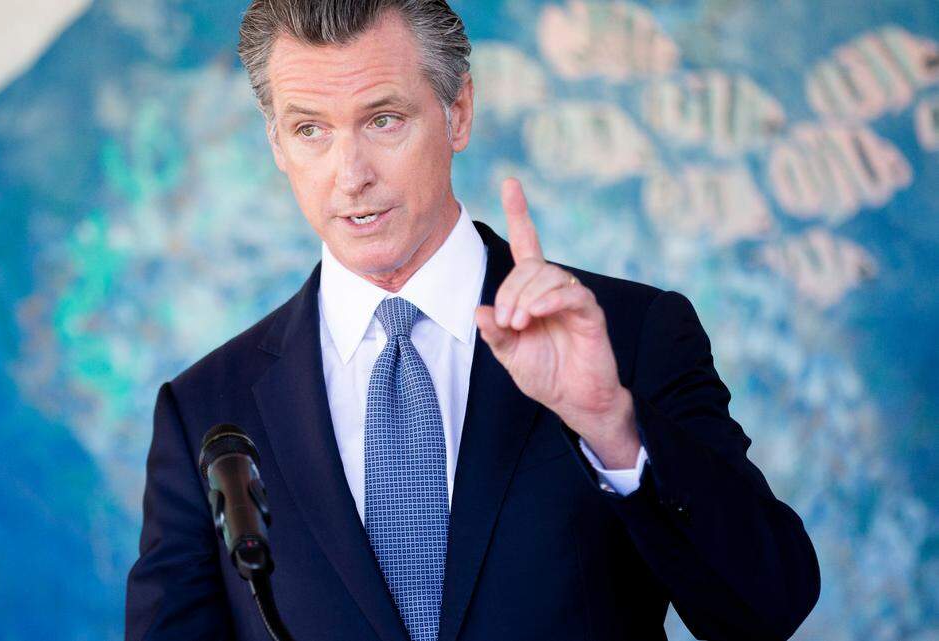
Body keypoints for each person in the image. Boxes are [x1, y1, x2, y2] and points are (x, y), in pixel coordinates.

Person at [125, 1, 820, 640]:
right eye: (311, 129)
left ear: (458, 113)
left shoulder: (632, 333)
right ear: (277, 144)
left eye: (384, 119)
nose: (350, 173)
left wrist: (613, 426)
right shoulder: (203, 411)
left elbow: (768, 608)